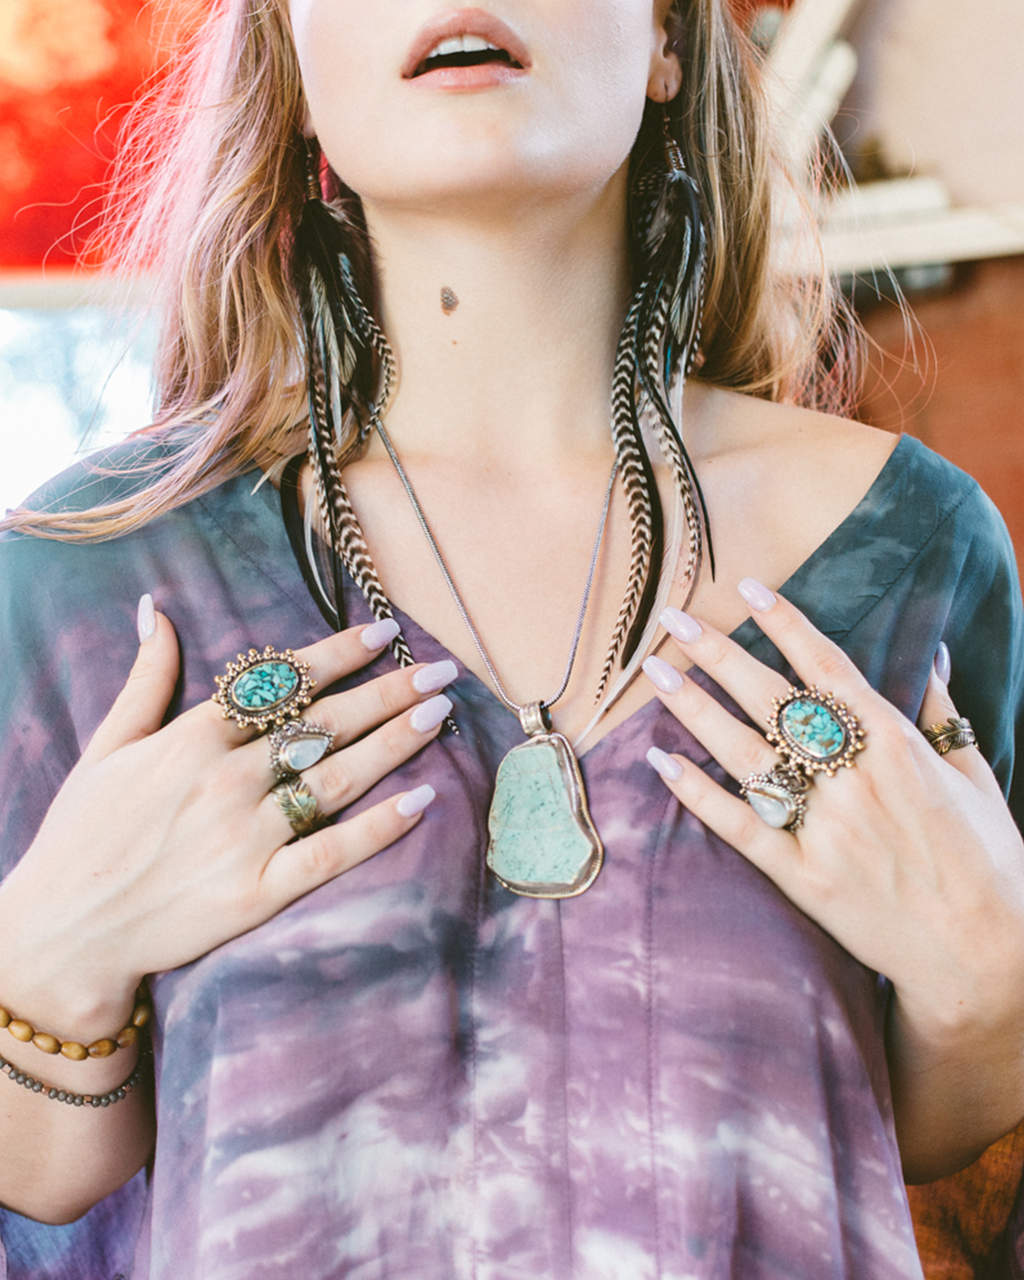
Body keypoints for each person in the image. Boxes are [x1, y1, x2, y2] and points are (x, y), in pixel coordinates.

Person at [0, 0, 1022, 1276]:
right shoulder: (91, 576)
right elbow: (46, 1189)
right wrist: (43, 964)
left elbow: (932, 1148)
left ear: (664, 44)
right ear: (292, 68)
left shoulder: (912, 549)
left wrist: (996, 988)